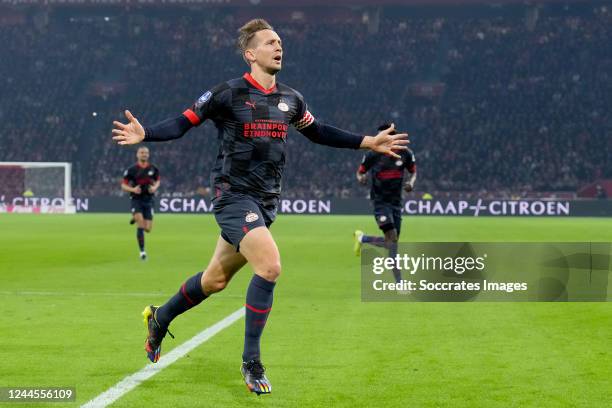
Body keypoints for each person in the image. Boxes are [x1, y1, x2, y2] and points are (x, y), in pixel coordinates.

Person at [111, 19, 408, 395]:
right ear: (251, 53)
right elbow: (183, 122)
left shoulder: (292, 100)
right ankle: (252, 361)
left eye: (280, 42)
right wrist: (146, 133)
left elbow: (319, 132)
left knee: (215, 279)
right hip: (233, 196)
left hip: (266, 201)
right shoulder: (226, 93)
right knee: (270, 265)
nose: (278, 47)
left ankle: (160, 317)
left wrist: (369, 142)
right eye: (270, 42)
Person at [353, 123, 416, 283]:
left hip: (396, 203)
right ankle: (400, 282)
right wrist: (362, 179)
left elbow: (413, 172)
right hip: (380, 201)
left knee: (392, 244)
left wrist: (411, 182)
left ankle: (364, 239)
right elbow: (360, 173)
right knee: (392, 238)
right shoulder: (373, 154)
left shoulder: (406, 154)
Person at [121, 146, 160, 260]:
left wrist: (154, 188)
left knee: (148, 229)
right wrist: (133, 190)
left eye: (146, 153)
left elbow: (158, 181)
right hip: (136, 199)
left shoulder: (154, 169)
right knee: (141, 225)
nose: (144, 154)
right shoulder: (131, 170)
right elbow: (123, 185)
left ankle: (135, 216)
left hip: (149, 200)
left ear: (148, 155)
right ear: (137, 155)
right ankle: (142, 252)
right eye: (142, 152)